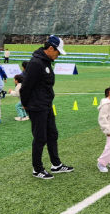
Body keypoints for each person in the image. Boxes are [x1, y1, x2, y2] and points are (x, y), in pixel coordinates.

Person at [20, 35, 74, 179]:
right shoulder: (36, 63)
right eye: (57, 52)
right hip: (37, 106)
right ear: (51, 48)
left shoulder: (46, 62)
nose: (58, 55)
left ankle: (56, 165)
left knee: (52, 134)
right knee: (40, 137)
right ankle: (37, 169)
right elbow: (25, 87)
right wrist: (25, 104)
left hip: (46, 104)